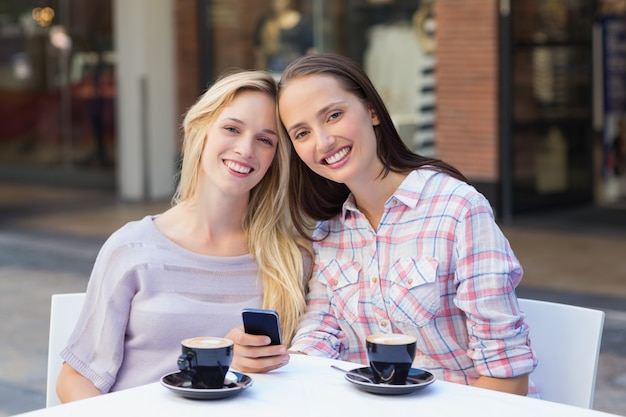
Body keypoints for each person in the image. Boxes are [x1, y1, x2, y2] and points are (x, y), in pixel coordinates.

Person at [277, 53, 538, 396]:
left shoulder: (458, 209)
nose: (323, 142)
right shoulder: (329, 230)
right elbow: (320, 336)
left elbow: (507, 377)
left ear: (371, 110)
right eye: (302, 133)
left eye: (334, 116)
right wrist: (279, 362)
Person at [56, 69, 310, 402]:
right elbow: (75, 379)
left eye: (265, 140)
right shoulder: (132, 248)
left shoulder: (292, 260)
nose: (246, 149)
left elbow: (305, 375)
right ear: (200, 131)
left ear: (276, 158)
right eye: (232, 128)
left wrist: (242, 363)